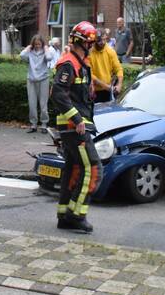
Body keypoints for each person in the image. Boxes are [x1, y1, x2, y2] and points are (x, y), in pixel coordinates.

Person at [52, 21, 102, 234]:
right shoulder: (69, 63)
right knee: (93, 168)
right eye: (90, 43)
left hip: (76, 126)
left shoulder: (81, 63)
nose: (91, 46)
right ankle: (77, 214)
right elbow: (58, 93)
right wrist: (77, 119)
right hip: (74, 127)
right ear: (82, 42)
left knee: (74, 169)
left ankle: (64, 215)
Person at [20, 34, 56, 132]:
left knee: (43, 104)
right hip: (31, 80)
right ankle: (33, 124)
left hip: (44, 79)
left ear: (42, 44)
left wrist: (46, 49)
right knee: (32, 104)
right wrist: (28, 48)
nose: (37, 46)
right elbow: (22, 55)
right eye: (35, 44)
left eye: (39, 44)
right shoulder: (30, 52)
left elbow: (49, 58)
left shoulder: (45, 52)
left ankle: (44, 124)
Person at [89, 30, 124, 103]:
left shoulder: (110, 51)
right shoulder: (89, 53)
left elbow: (118, 69)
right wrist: (106, 86)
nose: (103, 42)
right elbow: (90, 74)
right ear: (94, 41)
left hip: (108, 91)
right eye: (99, 40)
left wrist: (119, 84)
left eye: (104, 39)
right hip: (94, 91)